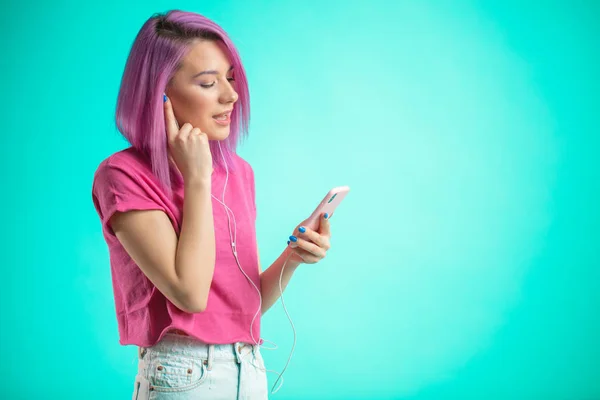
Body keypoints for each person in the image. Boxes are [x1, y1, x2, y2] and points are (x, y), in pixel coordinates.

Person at [91, 9, 333, 399]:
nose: (231, 95)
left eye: (231, 78)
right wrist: (197, 178)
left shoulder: (239, 172)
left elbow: (242, 306)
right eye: (208, 82)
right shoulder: (122, 176)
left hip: (249, 371)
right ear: (161, 95)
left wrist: (294, 255)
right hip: (182, 376)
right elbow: (190, 294)